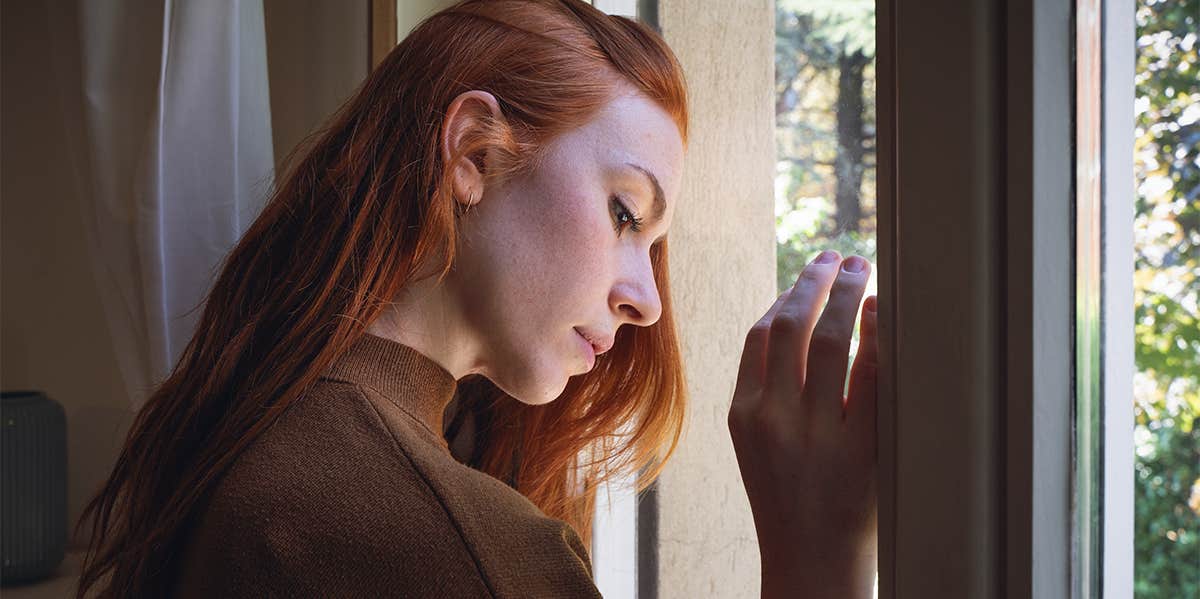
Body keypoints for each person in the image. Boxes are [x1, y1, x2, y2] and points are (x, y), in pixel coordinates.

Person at [74, 0, 878, 597]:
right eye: (624, 212)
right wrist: (817, 560)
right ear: (473, 153)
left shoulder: (263, 419)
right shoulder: (441, 542)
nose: (648, 302)